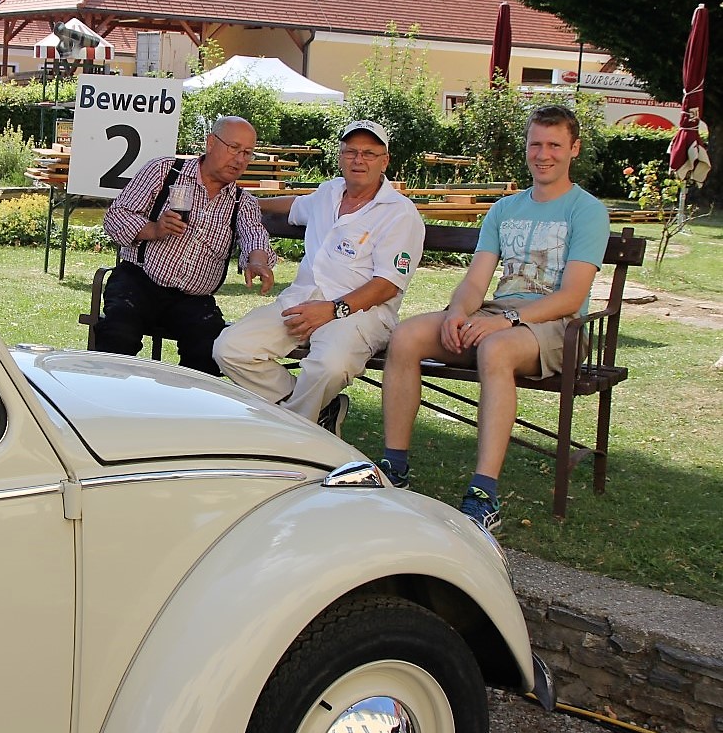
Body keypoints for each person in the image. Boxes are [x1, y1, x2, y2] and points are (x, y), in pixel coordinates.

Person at [379, 104, 610, 530]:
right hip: (499, 317)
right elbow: (475, 281)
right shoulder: (504, 209)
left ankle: (484, 494)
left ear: (573, 149)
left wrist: (505, 322)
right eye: (536, 143)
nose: (544, 154)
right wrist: (456, 312)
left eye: (555, 145)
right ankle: (394, 470)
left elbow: (572, 295)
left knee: (496, 348)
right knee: (408, 336)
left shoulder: (587, 210)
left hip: (556, 328)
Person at [213, 120, 424, 435]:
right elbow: (294, 206)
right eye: (350, 151)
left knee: (327, 367)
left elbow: (388, 284)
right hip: (302, 301)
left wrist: (332, 309)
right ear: (340, 156)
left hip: (358, 313)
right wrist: (240, 203)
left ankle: (288, 435)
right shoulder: (329, 192)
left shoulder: (399, 213)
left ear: (385, 161)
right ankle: (319, 412)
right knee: (230, 348)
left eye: (369, 153)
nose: (358, 160)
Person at [98, 115, 277, 374]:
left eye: (247, 153)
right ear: (211, 143)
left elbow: (254, 234)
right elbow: (116, 217)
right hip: (139, 281)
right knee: (118, 335)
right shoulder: (165, 172)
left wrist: (258, 261)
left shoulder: (241, 202)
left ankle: (183, 410)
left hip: (193, 299)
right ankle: (105, 402)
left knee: (208, 353)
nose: (240, 159)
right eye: (234, 148)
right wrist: (154, 229)